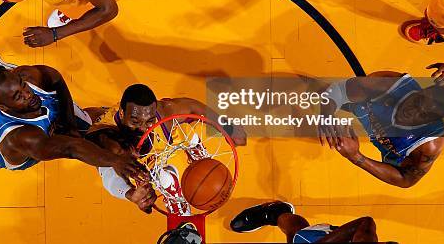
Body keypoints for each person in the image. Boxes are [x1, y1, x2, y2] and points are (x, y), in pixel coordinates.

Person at [0, 52, 147, 183]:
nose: (27, 94)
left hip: (28, 115)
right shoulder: (21, 137)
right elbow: (70, 147)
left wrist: (68, 123)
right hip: (14, 149)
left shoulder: (28, 76)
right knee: (83, 130)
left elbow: (55, 79)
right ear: (3, 106)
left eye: (23, 86)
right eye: (18, 96)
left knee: (77, 122)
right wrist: (115, 161)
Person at [85, 84, 247, 212]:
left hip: (166, 140)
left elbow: (193, 107)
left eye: (149, 121)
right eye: (135, 122)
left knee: (179, 128)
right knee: (157, 177)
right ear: (121, 114)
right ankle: (172, 192)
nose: (142, 128)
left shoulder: (165, 112)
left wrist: (228, 127)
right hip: (141, 158)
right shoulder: (109, 137)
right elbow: (108, 175)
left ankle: (193, 143)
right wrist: (131, 194)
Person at [318, 71, 444, 188]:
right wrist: (326, 115)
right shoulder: (390, 84)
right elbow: (340, 90)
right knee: (311, 89)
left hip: (396, 154)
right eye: (416, 102)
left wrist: (356, 157)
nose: (412, 112)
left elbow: (406, 180)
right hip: (367, 109)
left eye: (422, 115)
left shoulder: (429, 145)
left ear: (428, 122)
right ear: (416, 92)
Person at [230, 201, 383, 243]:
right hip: (336, 239)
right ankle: (274, 213)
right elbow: (365, 222)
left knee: (294, 237)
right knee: (297, 233)